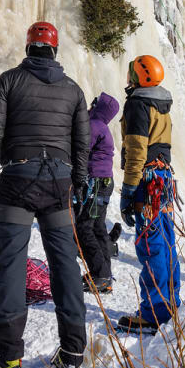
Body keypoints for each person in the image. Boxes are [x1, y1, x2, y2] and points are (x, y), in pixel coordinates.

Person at [0, 22, 90, 368]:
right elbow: (81, 143)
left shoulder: (9, 81)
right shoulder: (73, 90)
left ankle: (7, 358)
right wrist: (79, 183)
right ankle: (72, 354)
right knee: (65, 266)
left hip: (17, 181)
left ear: (28, 48)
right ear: (55, 50)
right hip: (59, 184)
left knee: (11, 266)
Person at [116, 55, 181, 335]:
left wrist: (129, 191)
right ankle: (171, 304)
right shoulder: (161, 105)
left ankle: (154, 313)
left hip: (147, 183)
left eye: (131, 73)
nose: (128, 78)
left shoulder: (138, 104)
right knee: (165, 243)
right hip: (163, 180)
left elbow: (136, 152)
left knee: (151, 245)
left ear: (139, 77)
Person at [76, 92, 119, 294]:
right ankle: (104, 275)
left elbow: (81, 150)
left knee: (85, 227)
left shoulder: (93, 126)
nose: (90, 105)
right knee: (98, 228)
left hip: (95, 182)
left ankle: (100, 275)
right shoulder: (101, 126)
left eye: (94, 103)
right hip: (104, 183)